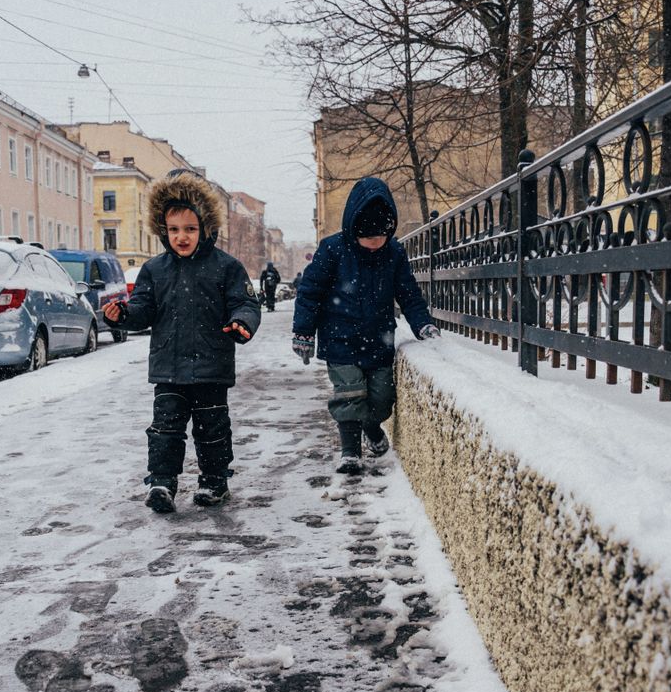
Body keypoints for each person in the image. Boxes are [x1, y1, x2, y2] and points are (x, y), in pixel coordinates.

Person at [104, 170, 261, 513]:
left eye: (190, 229)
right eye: (174, 230)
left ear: (205, 228)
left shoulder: (226, 267)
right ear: (163, 231)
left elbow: (245, 303)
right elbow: (142, 310)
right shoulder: (154, 270)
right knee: (165, 428)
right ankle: (162, 483)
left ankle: (214, 482)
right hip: (168, 368)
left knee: (212, 429)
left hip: (211, 367)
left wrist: (241, 323)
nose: (182, 237)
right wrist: (123, 315)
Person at [291, 177, 439, 475]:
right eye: (367, 240)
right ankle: (349, 452)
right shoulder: (332, 249)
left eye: (379, 239)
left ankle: (371, 427)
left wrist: (423, 325)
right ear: (354, 229)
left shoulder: (394, 252)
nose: (373, 246)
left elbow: (408, 293)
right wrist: (304, 331)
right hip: (339, 340)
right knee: (348, 393)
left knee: (382, 400)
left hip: (378, 340)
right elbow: (310, 292)